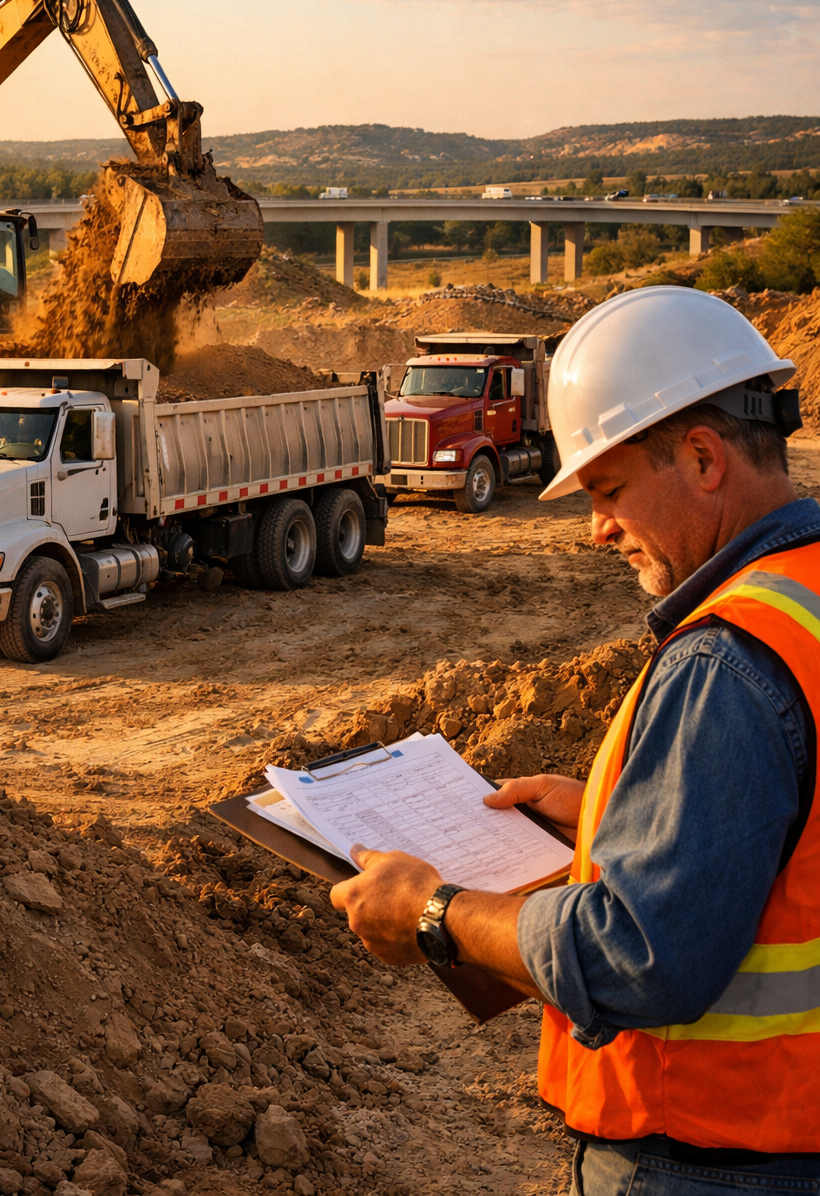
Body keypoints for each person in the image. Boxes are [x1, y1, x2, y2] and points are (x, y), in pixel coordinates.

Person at [331, 288, 820, 1193]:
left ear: (704, 457)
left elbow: (642, 953)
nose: (595, 528)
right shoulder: (807, 600)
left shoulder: (728, 662)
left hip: (713, 1157)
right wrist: (608, 817)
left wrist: (436, 912)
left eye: (607, 488)